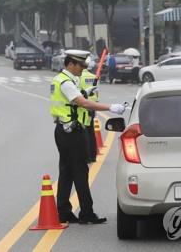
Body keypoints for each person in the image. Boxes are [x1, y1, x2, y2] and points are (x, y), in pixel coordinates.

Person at [50, 50, 126, 224]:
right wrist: (110, 107)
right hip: (73, 132)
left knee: (67, 171)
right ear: (71, 64)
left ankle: (63, 211)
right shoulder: (67, 83)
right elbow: (82, 103)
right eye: (80, 65)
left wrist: (86, 92)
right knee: (80, 171)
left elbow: (77, 99)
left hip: (64, 130)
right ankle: (86, 213)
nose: (82, 69)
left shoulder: (62, 79)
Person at [79, 67, 98, 163]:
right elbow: (96, 93)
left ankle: (86, 157)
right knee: (91, 132)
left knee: (84, 132)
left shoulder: (78, 77)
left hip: (83, 106)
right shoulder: (94, 77)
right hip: (93, 106)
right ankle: (93, 156)